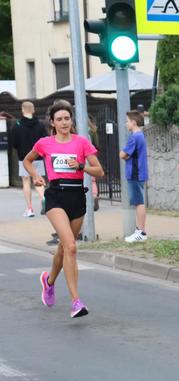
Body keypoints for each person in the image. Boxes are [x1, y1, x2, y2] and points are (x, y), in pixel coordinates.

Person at [23, 100, 104, 318]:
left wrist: (80, 166)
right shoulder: (44, 143)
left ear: (71, 121)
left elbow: (99, 171)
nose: (64, 122)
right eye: (59, 119)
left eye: (67, 118)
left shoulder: (81, 142)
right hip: (56, 196)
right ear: (52, 122)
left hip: (77, 196)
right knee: (71, 246)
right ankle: (76, 302)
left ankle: (48, 282)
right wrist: (36, 176)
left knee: (63, 248)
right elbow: (27, 160)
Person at [9, 101, 48, 217]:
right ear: (34, 110)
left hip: (24, 159)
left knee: (26, 182)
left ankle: (30, 209)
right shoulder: (40, 125)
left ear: (22, 110)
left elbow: (14, 143)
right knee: (38, 180)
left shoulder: (17, 126)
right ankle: (44, 199)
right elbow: (45, 140)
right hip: (39, 157)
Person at [120, 110, 149, 243]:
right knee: (138, 202)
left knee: (139, 202)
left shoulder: (135, 137)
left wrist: (123, 153)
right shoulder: (140, 136)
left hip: (135, 173)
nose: (126, 124)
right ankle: (139, 231)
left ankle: (141, 232)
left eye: (127, 121)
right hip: (138, 172)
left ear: (134, 122)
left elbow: (123, 154)